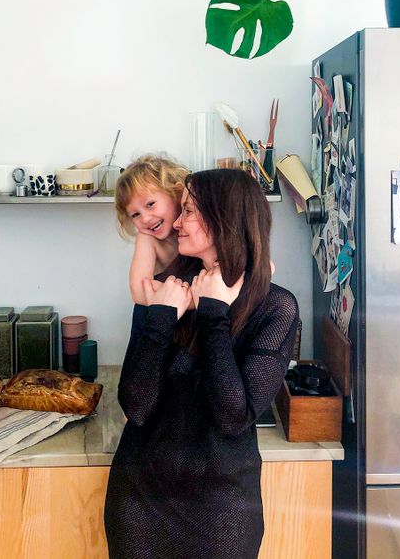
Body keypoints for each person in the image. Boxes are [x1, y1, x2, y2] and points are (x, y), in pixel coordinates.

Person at [104, 168, 300, 559]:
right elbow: (137, 406)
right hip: (140, 502)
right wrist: (161, 317)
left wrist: (213, 313)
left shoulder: (275, 307)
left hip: (223, 510)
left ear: (223, 218)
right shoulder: (164, 292)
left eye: (189, 211)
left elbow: (232, 416)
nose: (177, 222)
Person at [115, 154, 189, 305]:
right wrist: (195, 299)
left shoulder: (197, 227)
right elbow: (139, 293)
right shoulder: (147, 239)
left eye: (150, 204)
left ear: (177, 193)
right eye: (135, 214)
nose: (145, 219)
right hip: (159, 311)